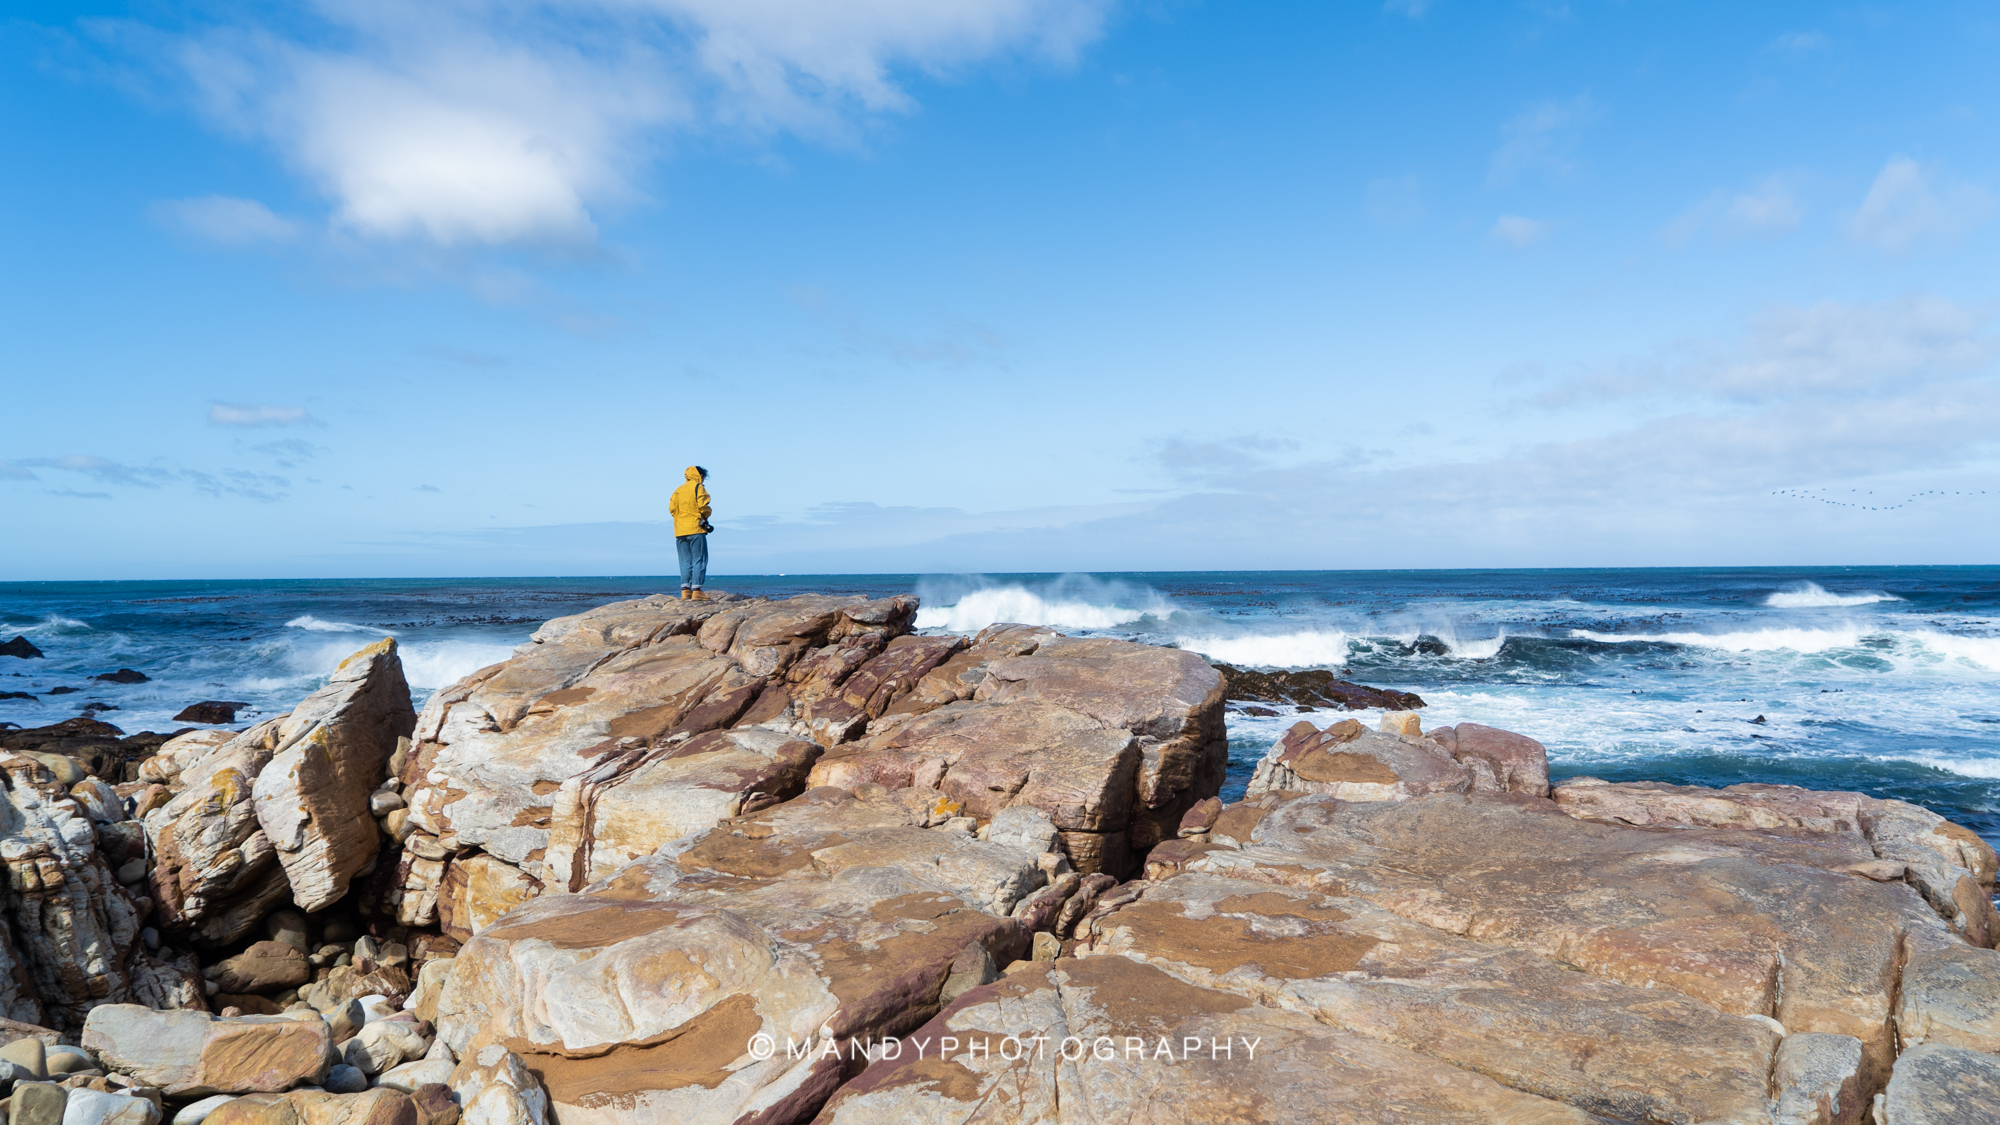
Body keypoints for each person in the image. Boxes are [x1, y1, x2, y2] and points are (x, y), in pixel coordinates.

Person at [669, 465, 713, 600]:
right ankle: (697, 590)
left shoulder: (678, 490)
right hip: (695, 528)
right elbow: (703, 506)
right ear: (700, 476)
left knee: (684, 560)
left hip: (680, 530)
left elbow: (672, 509)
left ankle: (685, 590)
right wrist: (706, 515)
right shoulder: (698, 487)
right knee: (699, 559)